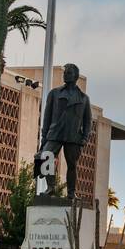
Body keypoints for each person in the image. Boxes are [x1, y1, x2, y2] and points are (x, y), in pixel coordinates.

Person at [37, 62, 92, 197]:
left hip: (73, 135)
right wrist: (44, 137)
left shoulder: (84, 98)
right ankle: (50, 188)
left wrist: (85, 137)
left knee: (72, 165)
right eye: (65, 73)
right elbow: (47, 116)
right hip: (55, 132)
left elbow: (87, 120)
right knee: (46, 155)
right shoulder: (54, 93)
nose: (65, 75)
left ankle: (71, 193)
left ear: (76, 76)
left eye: (69, 73)